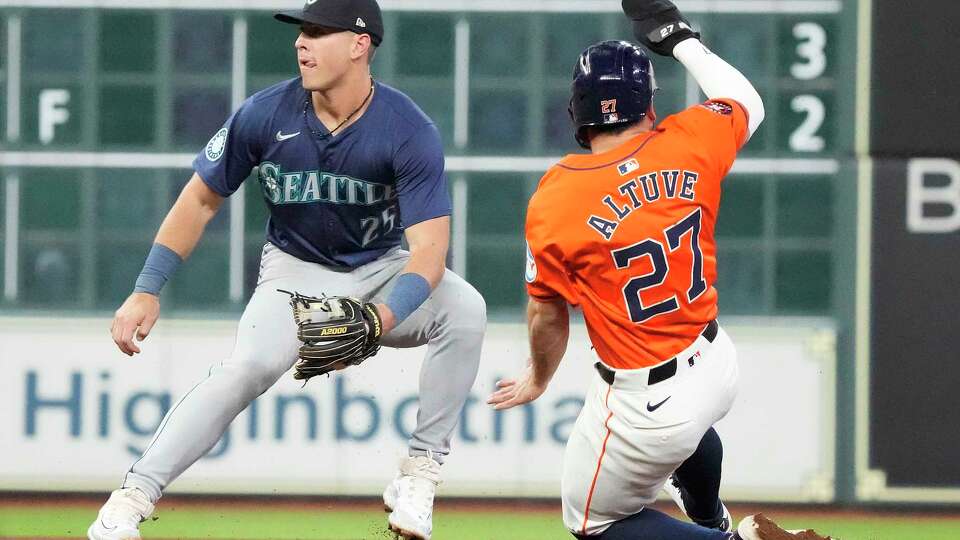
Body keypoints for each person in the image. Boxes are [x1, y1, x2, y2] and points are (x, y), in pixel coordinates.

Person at [87, 1, 485, 539]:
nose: (302, 42)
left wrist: (380, 319)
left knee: (465, 311)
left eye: (319, 32)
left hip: (383, 266)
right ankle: (130, 499)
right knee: (245, 370)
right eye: (302, 32)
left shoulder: (407, 129)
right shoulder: (265, 113)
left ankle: (420, 473)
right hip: (295, 270)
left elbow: (429, 253)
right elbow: (200, 200)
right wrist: (146, 289)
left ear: (359, 43)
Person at [488, 1, 830, 540]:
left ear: (576, 111)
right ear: (648, 105)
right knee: (689, 434)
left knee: (592, 524)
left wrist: (538, 377)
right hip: (715, 363)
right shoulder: (690, 141)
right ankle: (709, 517)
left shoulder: (556, 198)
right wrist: (678, 39)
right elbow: (747, 102)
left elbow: (546, 314)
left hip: (646, 403)